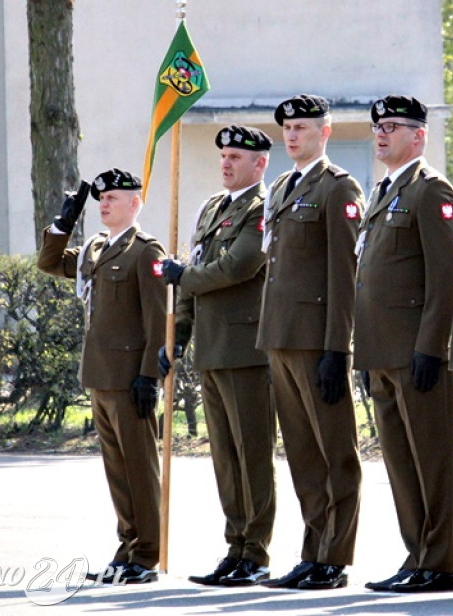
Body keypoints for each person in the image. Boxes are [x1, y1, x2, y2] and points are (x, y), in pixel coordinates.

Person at [158, 125, 276, 587]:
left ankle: (257, 552)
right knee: (225, 459)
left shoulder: (263, 207)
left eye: (236, 157)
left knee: (252, 456)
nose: (226, 163)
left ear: (259, 163)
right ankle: (235, 546)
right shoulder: (213, 208)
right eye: (223, 155)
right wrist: (178, 337)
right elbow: (192, 277)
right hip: (211, 348)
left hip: (246, 350)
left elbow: (239, 266)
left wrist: (183, 276)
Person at [256, 95, 364, 591]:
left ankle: (334, 557)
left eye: (302, 127)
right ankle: (312, 550)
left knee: (333, 453)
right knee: (301, 453)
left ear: (325, 132)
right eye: (287, 128)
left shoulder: (337, 187)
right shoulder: (280, 188)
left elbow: (344, 275)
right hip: (279, 336)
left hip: (317, 341)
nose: (292, 135)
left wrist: (337, 347)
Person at [36, 169, 165, 585]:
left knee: (140, 471)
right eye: (101, 199)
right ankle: (126, 547)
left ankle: (146, 555)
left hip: (130, 379)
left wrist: (149, 376)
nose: (105, 204)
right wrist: (63, 223)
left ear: (135, 204)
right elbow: (49, 263)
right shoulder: (94, 248)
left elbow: (156, 319)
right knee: (118, 472)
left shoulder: (145, 251)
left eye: (113, 198)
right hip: (99, 376)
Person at [357, 95, 453, 594]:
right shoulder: (382, 192)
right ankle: (415, 554)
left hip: (417, 353)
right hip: (382, 351)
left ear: (419, 136)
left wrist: (432, 346)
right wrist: (365, 351)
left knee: (431, 461)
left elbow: (445, 278)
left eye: (393, 126)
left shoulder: (430, 191)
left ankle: (438, 562)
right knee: (399, 463)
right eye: (379, 126)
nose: (382, 133)